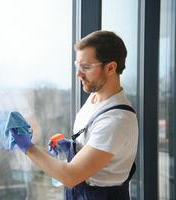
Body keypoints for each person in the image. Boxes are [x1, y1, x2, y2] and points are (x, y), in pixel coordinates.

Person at [10, 30, 138, 200]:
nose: (78, 74)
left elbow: (70, 176)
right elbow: (95, 143)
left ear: (110, 68)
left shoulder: (117, 120)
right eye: (78, 66)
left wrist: (27, 147)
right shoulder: (95, 98)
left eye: (86, 67)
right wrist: (72, 146)